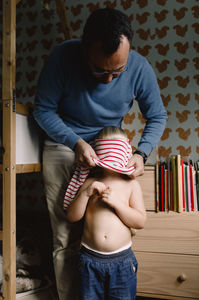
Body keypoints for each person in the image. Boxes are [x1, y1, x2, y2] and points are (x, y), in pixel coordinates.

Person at [33, 7, 167, 300]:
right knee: (65, 235)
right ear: (84, 50)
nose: (108, 80)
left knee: (117, 222)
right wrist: (75, 142)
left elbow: (157, 116)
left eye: (117, 72)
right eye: (100, 71)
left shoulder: (139, 67)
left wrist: (141, 153)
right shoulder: (63, 57)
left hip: (110, 145)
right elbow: (42, 109)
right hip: (64, 141)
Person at [66, 126, 146, 300]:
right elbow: (72, 216)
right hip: (89, 260)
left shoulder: (131, 184)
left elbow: (140, 221)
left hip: (122, 262)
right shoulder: (90, 182)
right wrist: (85, 193)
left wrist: (118, 204)